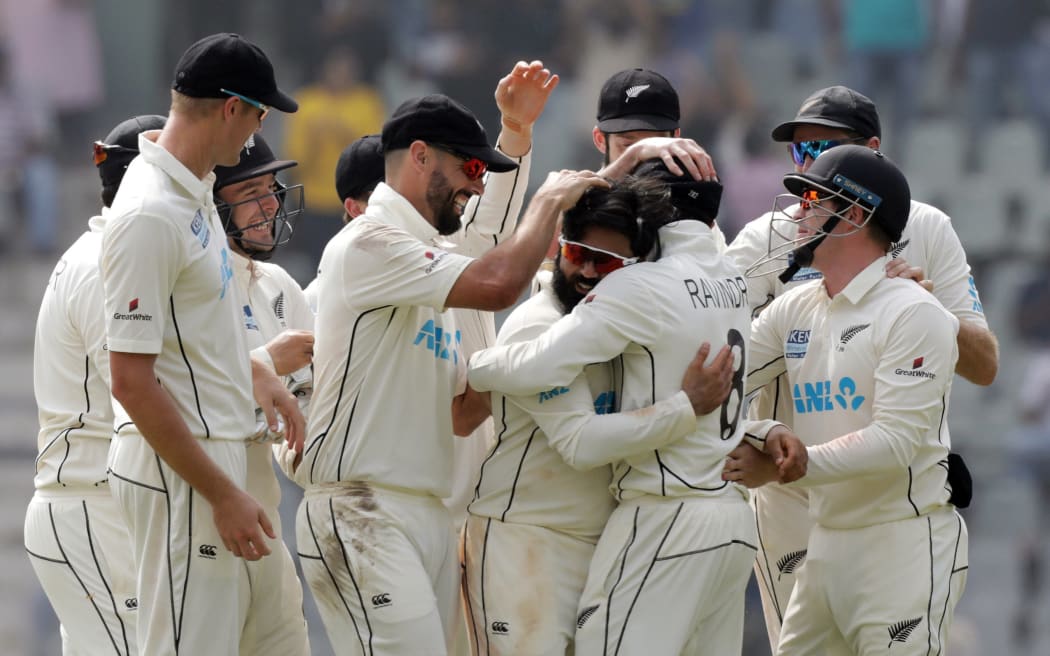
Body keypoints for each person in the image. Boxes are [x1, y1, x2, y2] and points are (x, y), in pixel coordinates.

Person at [292, 77, 589, 653]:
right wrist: (549, 202)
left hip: (424, 512)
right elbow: (500, 279)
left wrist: (535, 360)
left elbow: (458, 414)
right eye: (469, 170)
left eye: (484, 173)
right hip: (362, 507)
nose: (476, 186)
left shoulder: (430, 264)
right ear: (420, 155)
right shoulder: (371, 243)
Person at [468, 156, 791, 655]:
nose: (592, 272)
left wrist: (479, 365)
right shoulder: (726, 278)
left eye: (610, 260)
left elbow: (554, 383)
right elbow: (581, 438)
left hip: (649, 521)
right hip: (540, 539)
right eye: (579, 252)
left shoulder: (635, 295)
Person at [723, 85, 998, 651]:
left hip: (891, 511)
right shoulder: (772, 257)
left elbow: (981, 368)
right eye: (800, 157)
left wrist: (922, 314)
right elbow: (718, 375)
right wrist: (765, 436)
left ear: (870, 158)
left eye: (825, 153)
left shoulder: (927, 240)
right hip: (796, 500)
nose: (806, 177)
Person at [99, 33, 304, 656]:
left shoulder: (192, 194)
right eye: (260, 112)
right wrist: (219, 493)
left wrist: (256, 370)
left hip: (230, 464)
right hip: (188, 477)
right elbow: (130, 380)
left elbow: (194, 340)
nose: (258, 131)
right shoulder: (148, 214)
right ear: (231, 108)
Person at [25, 113, 164, 656]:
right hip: (90, 505)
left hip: (98, 508)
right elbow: (137, 393)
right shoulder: (107, 266)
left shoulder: (109, 255)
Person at [211, 133, 313, 655]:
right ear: (212, 200)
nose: (270, 202)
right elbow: (173, 391)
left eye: (271, 187)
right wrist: (267, 363)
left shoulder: (279, 284)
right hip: (201, 499)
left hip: (263, 506)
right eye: (250, 190)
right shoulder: (193, 280)